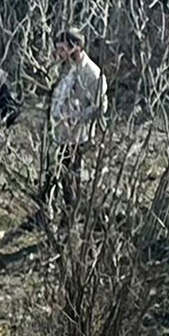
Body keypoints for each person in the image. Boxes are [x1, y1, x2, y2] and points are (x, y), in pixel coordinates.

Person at [48, 28, 108, 209]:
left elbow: (100, 107)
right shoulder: (64, 67)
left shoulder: (92, 73)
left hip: (76, 136)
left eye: (63, 49)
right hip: (58, 130)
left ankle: (71, 215)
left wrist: (77, 117)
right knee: (55, 173)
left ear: (77, 48)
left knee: (71, 176)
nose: (60, 54)